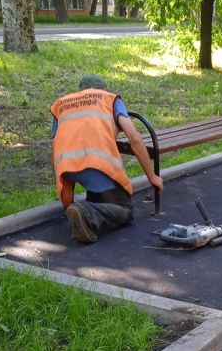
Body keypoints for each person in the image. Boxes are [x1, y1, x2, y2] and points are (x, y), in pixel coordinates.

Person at [51, 74, 164, 243]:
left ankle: (86, 210)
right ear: (103, 89)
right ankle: (87, 212)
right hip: (98, 164)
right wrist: (152, 176)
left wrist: (66, 194)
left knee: (101, 196)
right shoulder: (110, 99)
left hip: (67, 166)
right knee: (125, 211)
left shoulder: (61, 104)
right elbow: (134, 138)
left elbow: (56, 144)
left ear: (80, 91)